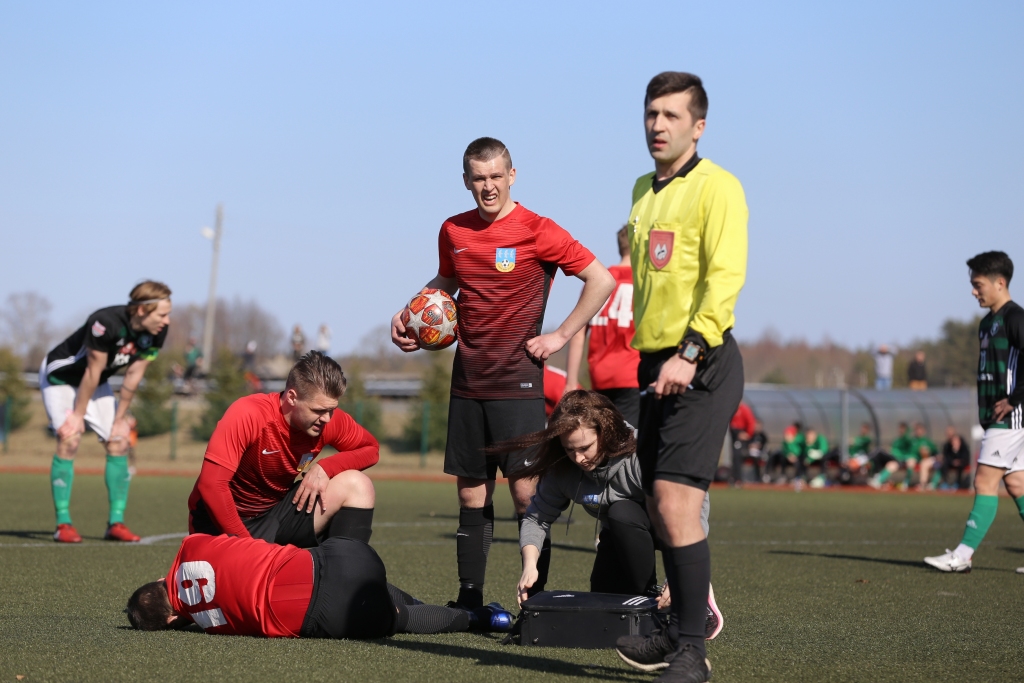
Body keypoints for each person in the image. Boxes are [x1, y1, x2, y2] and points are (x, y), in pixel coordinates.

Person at [390, 137, 615, 610]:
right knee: (472, 496)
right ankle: (469, 602)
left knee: (526, 498)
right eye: (479, 178)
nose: (488, 187)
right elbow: (446, 281)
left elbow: (601, 279)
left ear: (512, 176)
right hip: (468, 381)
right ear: (466, 180)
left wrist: (559, 336)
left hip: (518, 383)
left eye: (496, 177)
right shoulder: (453, 230)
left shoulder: (539, 230)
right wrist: (410, 313)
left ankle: (535, 606)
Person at [614, 72, 747, 683]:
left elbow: (724, 280)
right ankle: (679, 629)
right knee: (655, 503)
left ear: (698, 126)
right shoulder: (642, 190)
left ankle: (692, 650)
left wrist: (690, 351)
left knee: (675, 501)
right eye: (651, 114)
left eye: (671, 116)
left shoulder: (719, 188)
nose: (657, 126)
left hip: (702, 360)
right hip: (653, 365)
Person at [496, 390, 721, 638]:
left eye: (585, 447)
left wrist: (680, 572)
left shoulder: (642, 453)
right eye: (569, 449)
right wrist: (529, 565)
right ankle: (652, 599)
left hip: (670, 528)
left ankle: (691, 592)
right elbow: (535, 517)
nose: (578, 458)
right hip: (622, 534)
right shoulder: (563, 467)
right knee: (603, 600)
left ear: (606, 432)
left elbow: (692, 505)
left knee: (621, 511)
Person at [125, 532, 513, 638]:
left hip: (327, 609)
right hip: (338, 555)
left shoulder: (206, 621)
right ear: (162, 578)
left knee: (401, 618)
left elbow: (209, 610)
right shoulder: (191, 544)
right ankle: (461, 611)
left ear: (174, 619)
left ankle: (484, 620)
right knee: (381, 590)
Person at [187, 351, 379, 548]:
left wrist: (326, 468)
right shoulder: (249, 413)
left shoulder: (327, 421)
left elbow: (371, 448)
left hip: (275, 515)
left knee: (358, 485)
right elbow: (211, 485)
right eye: (319, 410)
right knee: (225, 579)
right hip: (219, 522)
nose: (327, 418)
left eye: (331, 410)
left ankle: (347, 571)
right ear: (292, 397)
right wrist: (248, 548)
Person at [40, 281, 172, 543]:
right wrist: (77, 416)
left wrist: (120, 419)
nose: (167, 321)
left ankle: (116, 523)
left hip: (95, 383)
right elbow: (92, 370)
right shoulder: (105, 322)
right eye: (162, 314)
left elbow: (133, 376)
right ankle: (63, 524)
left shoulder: (155, 332)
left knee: (119, 441)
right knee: (70, 438)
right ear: (142, 310)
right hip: (61, 378)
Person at [926, 251, 1024, 573]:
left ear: (1000, 282)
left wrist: (1013, 399)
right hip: (999, 417)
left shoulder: (1015, 318)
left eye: (978, 284)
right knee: (1018, 485)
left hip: (1009, 417)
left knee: (984, 482)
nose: (973, 291)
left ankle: (963, 555)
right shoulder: (986, 324)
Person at [565, 225, 641, 427]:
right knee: (629, 441)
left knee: (606, 438)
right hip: (633, 375)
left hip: (600, 376)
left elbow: (578, 333)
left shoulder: (599, 281)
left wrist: (571, 381)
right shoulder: (642, 282)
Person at [869, 422, 914, 489]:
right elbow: (892, 450)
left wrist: (909, 429)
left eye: (903, 428)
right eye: (900, 428)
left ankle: (905, 483)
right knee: (879, 454)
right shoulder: (896, 440)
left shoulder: (907, 439)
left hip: (902, 460)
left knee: (907, 462)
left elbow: (908, 440)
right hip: (893, 458)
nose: (900, 430)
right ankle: (877, 478)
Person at [728, 402, 756, 485]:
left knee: (738, 456)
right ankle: (734, 477)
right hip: (734, 434)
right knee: (734, 456)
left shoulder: (744, 409)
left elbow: (751, 422)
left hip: (740, 434)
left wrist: (748, 434)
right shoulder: (732, 408)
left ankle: (738, 479)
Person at [939, 426, 972, 490]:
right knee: (943, 466)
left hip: (961, 464)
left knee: (961, 467)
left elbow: (966, 457)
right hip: (951, 463)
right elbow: (946, 457)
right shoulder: (947, 446)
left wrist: (959, 461)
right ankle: (946, 483)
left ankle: (958, 484)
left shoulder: (963, 447)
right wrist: (953, 461)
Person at [911, 423, 939, 490]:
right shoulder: (914, 441)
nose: (918, 431)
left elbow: (935, 452)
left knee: (924, 463)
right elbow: (912, 453)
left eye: (919, 430)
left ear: (923, 431)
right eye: (916, 430)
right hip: (918, 460)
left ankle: (923, 484)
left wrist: (927, 452)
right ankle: (907, 483)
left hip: (930, 460)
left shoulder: (927, 441)